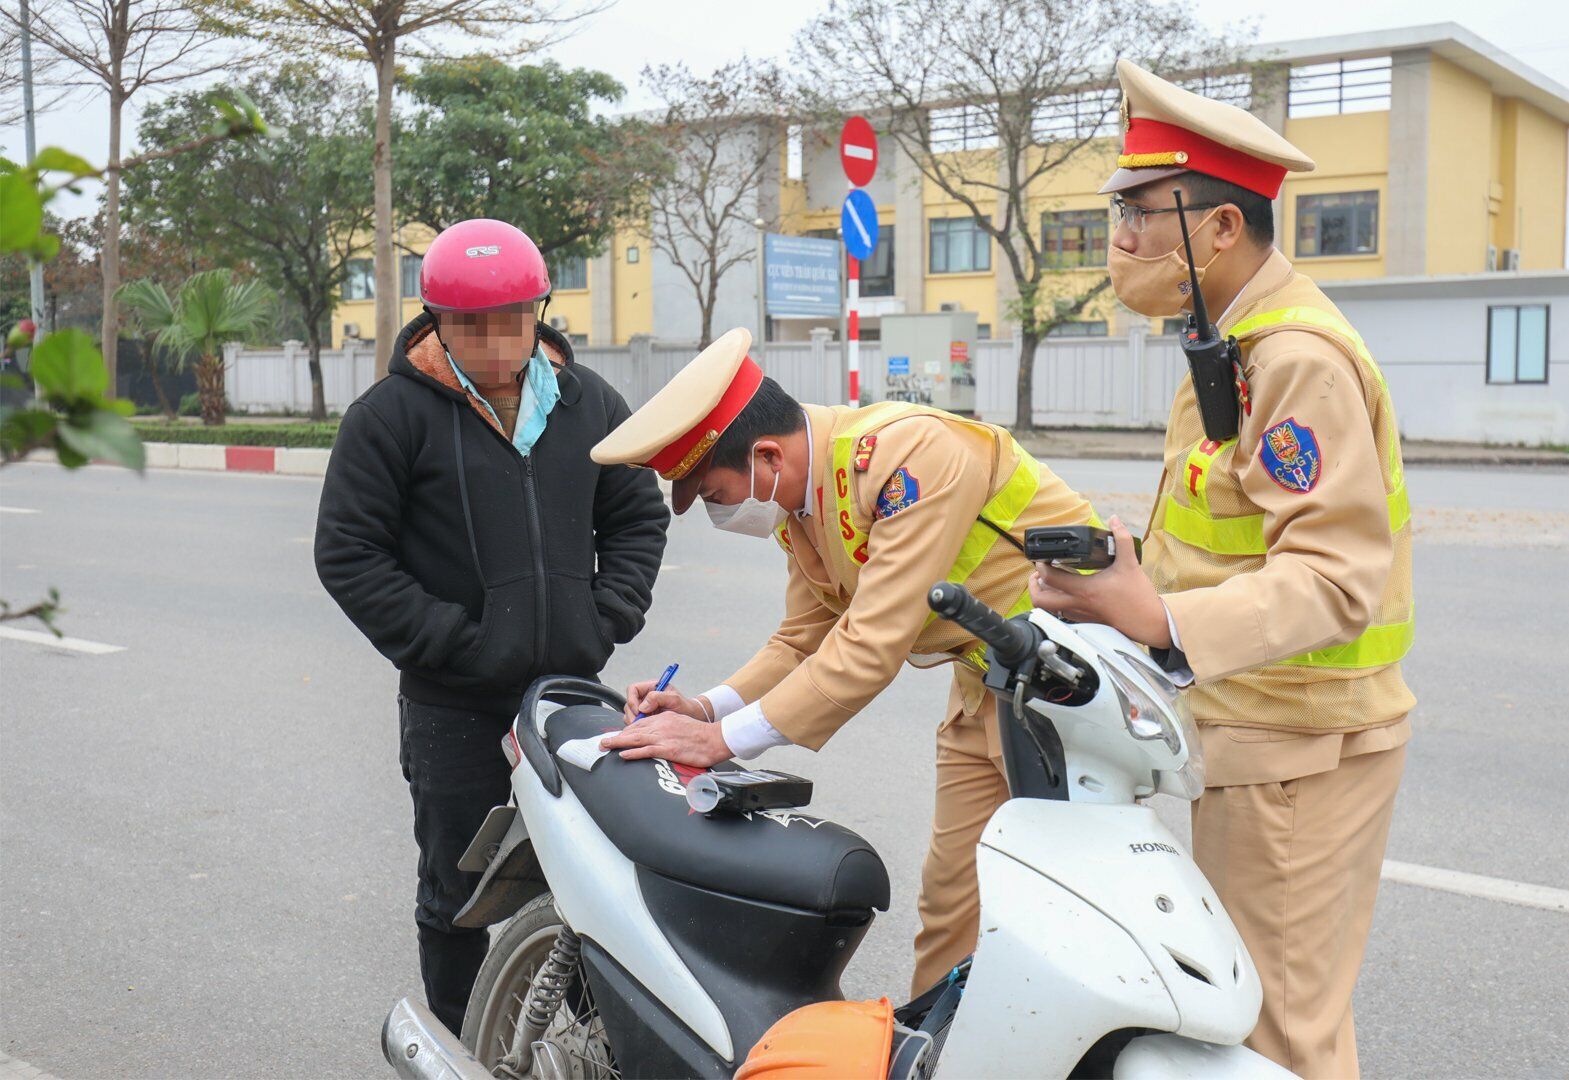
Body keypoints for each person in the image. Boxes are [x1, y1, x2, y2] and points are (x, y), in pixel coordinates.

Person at [1028, 61, 1413, 1079]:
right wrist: (1129, 576)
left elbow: (1335, 579)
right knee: (1272, 1020)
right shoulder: (1228, 341)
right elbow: (1232, 532)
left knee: (1277, 1038)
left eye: (1141, 210)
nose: (1122, 236)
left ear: (1219, 228)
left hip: (1299, 747)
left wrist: (1157, 617)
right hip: (1259, 731)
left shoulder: (1293, 358)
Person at [589, 329, 1098, 996]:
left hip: (1074, 693)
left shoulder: (910, 456)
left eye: (713, 493)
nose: (715, 513)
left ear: (767, 456)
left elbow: (870, 643)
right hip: (987, 690)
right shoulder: (800, 502)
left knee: (1076, 914)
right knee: (952, 909)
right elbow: (802, 638)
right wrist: (706, 707)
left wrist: (718, 741)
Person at [314, 218, 669, 1035]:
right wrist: (456, 644)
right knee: (457, 894)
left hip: (569, 697)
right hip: (453, 704)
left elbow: (636, 522)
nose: (493, 338)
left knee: (590, 886)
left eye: (511, 316)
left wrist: (602, 616)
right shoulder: (390, 417)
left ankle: (581, 1046)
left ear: (537, 310)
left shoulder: (587, 404)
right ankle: (456, 1046)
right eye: (469, 322)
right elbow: (350, 555)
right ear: (436, 318)